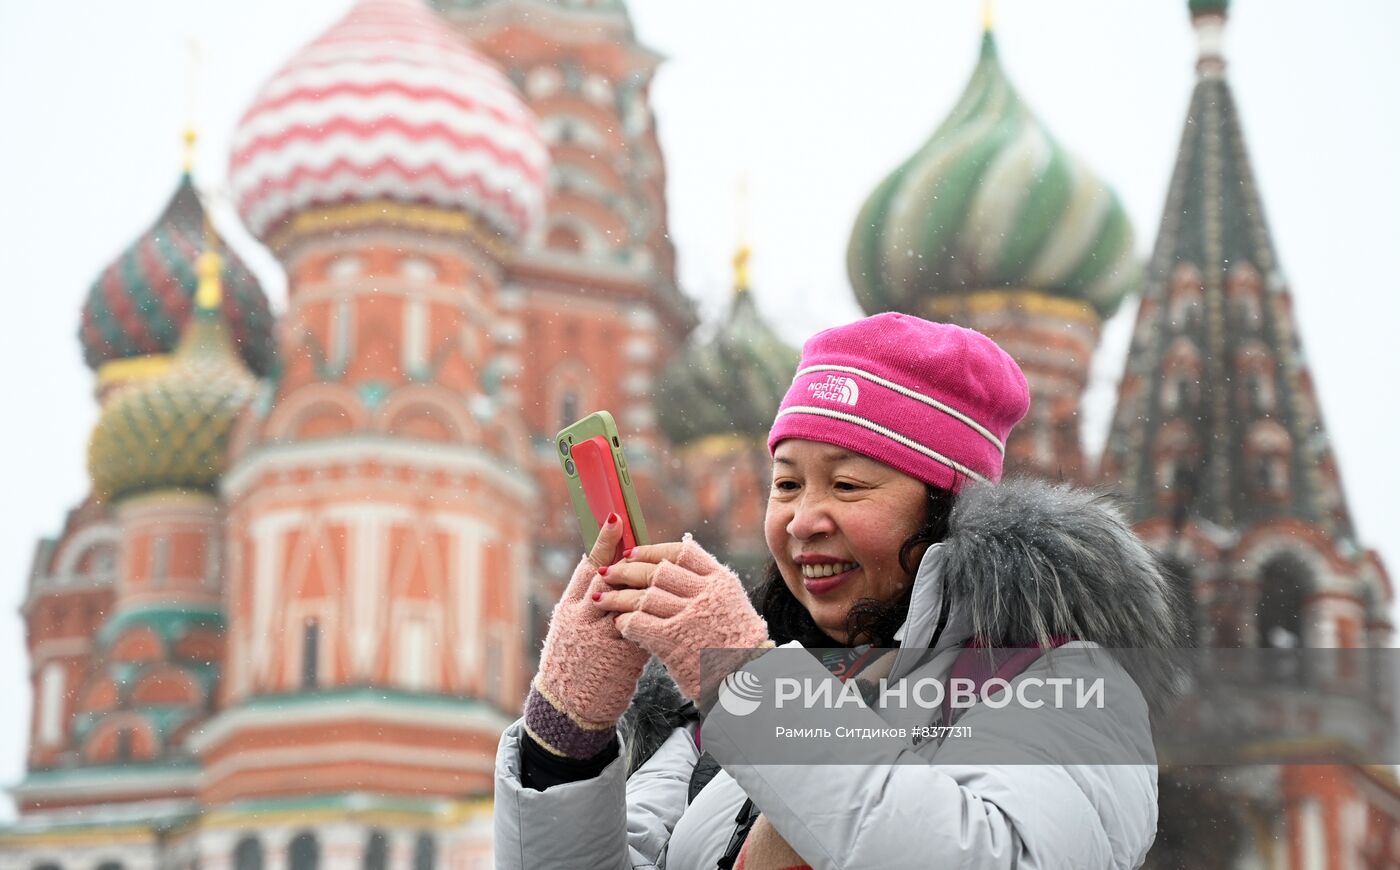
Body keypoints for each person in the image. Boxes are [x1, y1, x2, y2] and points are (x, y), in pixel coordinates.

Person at [494, 312, 1183, 869]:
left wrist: (750, 683)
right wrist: (566, 737)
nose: (802, 520)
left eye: (847, 484)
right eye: (786, 484)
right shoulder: (708, 728)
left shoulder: (1056, 680)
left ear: (948, 508)